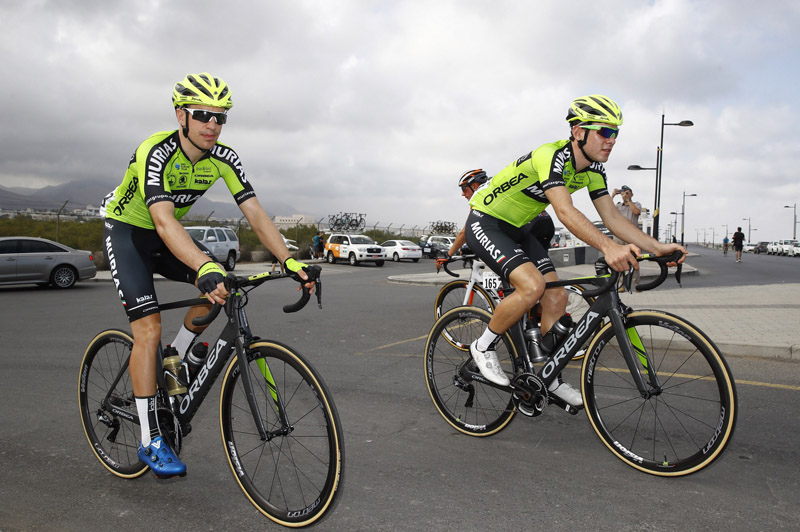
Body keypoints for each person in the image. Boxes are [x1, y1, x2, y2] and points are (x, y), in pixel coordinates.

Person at [102, 72, 313, 478]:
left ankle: (175, 357)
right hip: (129, 234)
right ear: (181, 115)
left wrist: (288, 259)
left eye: (220, 118)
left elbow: (254, 211)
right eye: (203, 115)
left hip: (166, 238)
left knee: (222, 289)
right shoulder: (156, 151)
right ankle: (150, 439)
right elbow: (163, 220)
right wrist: (204, 264)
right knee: (148, 328)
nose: (212, 125)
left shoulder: (224, 158)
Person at [463, 94, 687, 406]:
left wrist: (658, 247)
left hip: (519, 229)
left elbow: (611, 217)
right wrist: (609, 247)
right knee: (532, 287)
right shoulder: (550, 155)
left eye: (616, 133)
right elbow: (565, 212)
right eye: (604, 132)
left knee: (556, 295)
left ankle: (549, 376)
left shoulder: (593, 170)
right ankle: (484, 346)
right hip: (487, 223)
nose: (611, 141)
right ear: (579, 131)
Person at [611, 184, 643, 289]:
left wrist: (628, 200)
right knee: (620, 260)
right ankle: (621, 285)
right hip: (619, 235)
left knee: (634, 260)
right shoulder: (618, 206)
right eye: (624, 192)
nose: (625, 194)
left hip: (632, 236)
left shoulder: (636, 204)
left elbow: (636, 212)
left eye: (627, 192)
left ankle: (636, 284)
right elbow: (608, 210)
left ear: (632, 194)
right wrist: (612, 195)